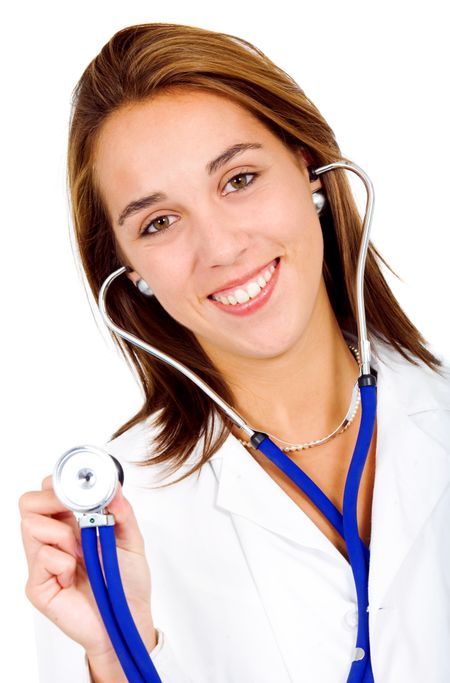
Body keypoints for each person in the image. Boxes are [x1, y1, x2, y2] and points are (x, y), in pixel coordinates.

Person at [19, 22, 450, 683]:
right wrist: (118, 659)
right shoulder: (101, 538)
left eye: (239, 178)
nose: (220, 247)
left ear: (309, 167)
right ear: (129, 268)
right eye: (158, 223)